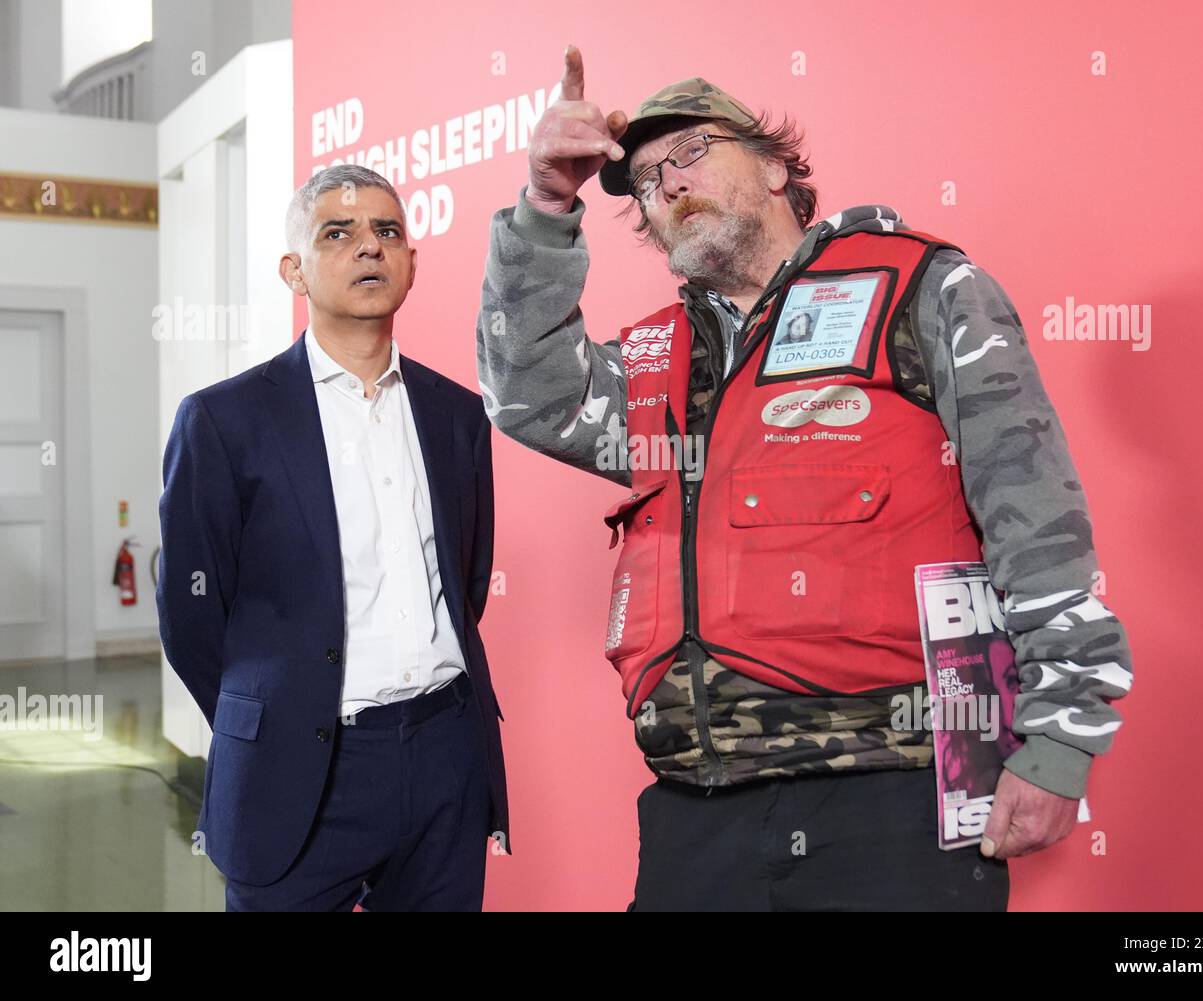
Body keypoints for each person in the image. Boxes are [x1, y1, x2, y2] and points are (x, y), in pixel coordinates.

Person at [477, 46, 1132, 911]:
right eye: (642, 180)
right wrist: (547, 205)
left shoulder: (921, 288)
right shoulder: (652, 361)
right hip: (692, 819)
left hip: (890, 808)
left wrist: (1060, 739)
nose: (667, 183)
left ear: (779, 163)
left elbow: (1034, 516)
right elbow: (527, 390)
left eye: (694, 151)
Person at [158, 164, 507, 911]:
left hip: (446, 754)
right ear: (295, 270)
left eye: (388, 232)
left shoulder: (457, 416)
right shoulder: (223, 421)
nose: (369, 248)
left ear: (412, 260)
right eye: (338, 233)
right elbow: (191, 614)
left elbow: (466, 579)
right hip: (297, 771)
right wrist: (268, 716)